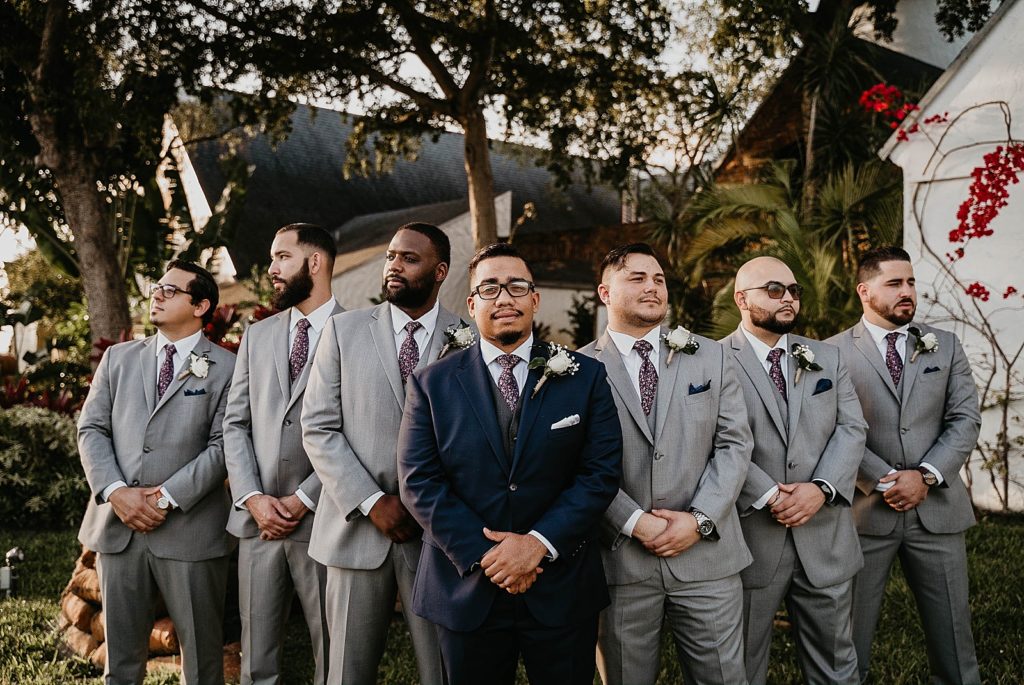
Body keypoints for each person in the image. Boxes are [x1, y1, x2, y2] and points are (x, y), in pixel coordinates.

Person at [397, 242, 622, 685]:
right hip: (465, 587)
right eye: (490, 288)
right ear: (471, 303)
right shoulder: (430, 384)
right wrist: (491, 556)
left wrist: (537, 543)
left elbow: (600, 473)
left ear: (534, 300)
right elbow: (419, 481)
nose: (504, 298)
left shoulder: (585, 376)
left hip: (560, 584)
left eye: (517, 286)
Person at [578, 243, 752, 685]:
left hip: (707, 557)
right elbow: (571, 462)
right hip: (619, 562)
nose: (652, 287)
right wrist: (634, 522)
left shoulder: (712, 356)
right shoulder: (577, 369)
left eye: (658, 279)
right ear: (604, 292)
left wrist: (699, 520)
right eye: (636, 278)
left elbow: (734, 444)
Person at [302, 223, 460, 684]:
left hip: (439, 539)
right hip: (356, 531)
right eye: (391, 255)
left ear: (440, 270)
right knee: (346, 673)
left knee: (444, 671)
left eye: (409, 258)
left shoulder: (469, 336)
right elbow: (319, 427)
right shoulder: (342, 331)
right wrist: (373, 502)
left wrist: (430, 508)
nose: (394, 265)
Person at [77, 261, 236, 685]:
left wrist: (162, 498)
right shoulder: (118, 358)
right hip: (119, 527)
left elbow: (224, 446)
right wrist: (115, 492)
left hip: (192, 531)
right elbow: (91, 428)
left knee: (202, 664)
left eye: (171, 290)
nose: (158, 295)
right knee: (121, 665)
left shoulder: (229, 367)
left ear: (201, 305)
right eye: (157, 287)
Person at [828, 246, 981, 684]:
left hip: (937, 510)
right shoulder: (831, 353)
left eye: (910, 282)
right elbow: (835, 428)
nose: (907, 292)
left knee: (954, 633)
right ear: (864, 291)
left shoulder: (945, 345)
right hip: (864, 514)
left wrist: (927, 476)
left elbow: (965, 418)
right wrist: (885, 480)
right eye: (894, 283)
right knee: (850, 635)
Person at [723, 256, 866, 685]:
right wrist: (769, 494)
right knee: (742, 664)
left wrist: (820, 489)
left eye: (793, 290)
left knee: (838, 663)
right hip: (752, 538)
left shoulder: (827, 356)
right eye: (774, 290)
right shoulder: (710, 360)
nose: (788, 298)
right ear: (741, 299)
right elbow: (712, 442)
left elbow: (851, 427)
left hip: (825, 533)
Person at [223, 223, 341, 684]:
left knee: (332, 651)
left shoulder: (358, 333)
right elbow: (234, 424)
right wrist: (252, 498)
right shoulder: (258, 335)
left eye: (281, 257)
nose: (271, 269)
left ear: (315, 262)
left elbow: (356, 432)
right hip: (258, 524)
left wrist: (303, 499)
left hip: (324, 520)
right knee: (256, 659)